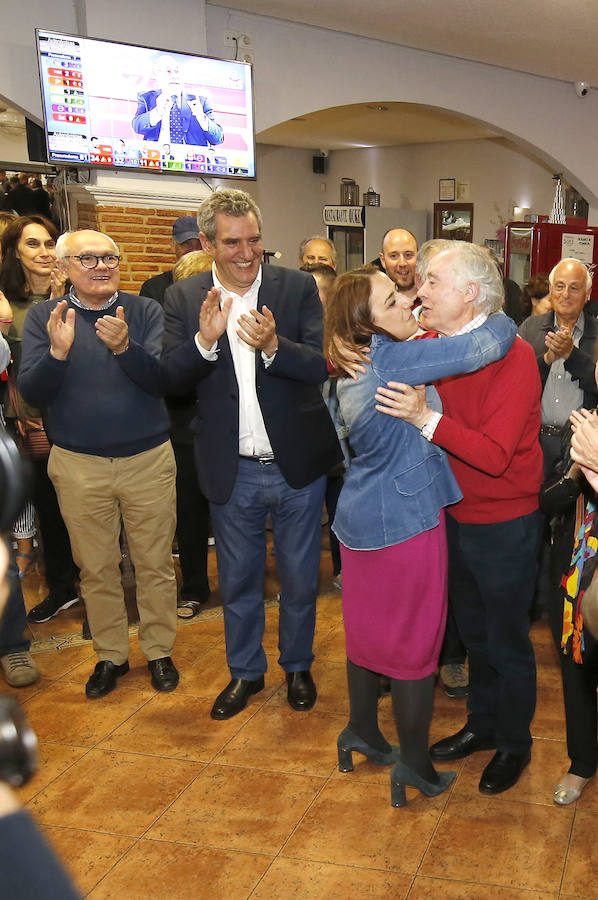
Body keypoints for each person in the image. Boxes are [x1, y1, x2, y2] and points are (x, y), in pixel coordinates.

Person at [326, 265, 516, 806]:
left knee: (365, 637)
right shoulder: (391, 357)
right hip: (405, 523)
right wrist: (491, 306)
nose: (409, 303)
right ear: (367, 327)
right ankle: (413, 763)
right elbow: (487, 345)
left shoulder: (351, 363)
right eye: (392, 302)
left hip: (359, 518)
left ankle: (361, 731)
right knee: (414, 647)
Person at [162, 189, 342, 720]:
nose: (246, 253)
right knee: (238, 581)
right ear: (207, 243)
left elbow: (320, 364)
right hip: (231, 469)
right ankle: (245, 673)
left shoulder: (296, 288)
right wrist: (204, 341)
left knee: (300, 576)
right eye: (233, 242)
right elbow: (172, 379)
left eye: (255, 241)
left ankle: (298, 667)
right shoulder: (184, 298)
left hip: (296, 468)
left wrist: (274, 347)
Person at [375, 240, 543, 795]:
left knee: (507, 640)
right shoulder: (433, 346)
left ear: (470, 294)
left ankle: (515, 743)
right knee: (472, 634)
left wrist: (425, 418)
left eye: (432, 282)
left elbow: (494, 456)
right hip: (452, 513)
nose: (418, 290)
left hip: (504, 521)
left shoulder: (514, 355)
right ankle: (483, 724)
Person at [18, 229, 179, 699]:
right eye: (87, 259)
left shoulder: (145, 310)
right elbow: (31, 394)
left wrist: (126, 348)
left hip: (147, 459)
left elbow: (163, 381)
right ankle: (111, 655)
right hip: (78, 464)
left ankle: (158, 651)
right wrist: (57, 354)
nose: (101, 266)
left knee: (154, 564)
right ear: (63, 267)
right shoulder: (44, 318)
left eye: (109, 257)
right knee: (96, 567)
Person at [0, 216, 79, 625]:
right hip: (29, 422)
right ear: (15, 252)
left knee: (83, 509)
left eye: (50, 243)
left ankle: (94, 587)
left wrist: (62, 300)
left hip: (76, 416)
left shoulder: (74, 294)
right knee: (50, 508)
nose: (45, 252)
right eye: (33, 245)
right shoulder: (5, 304)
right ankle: (62, 588)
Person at [540, 406, 598, 805]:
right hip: (576, 576)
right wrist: (580, 468)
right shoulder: (581, 424)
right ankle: (582, 762)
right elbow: (547, 502)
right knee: (576, 669)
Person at [519, 258, 598, 476]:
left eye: (574, 288)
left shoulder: (597, 333)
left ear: (588, 294)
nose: (565, 294)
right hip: (534, 441)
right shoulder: (530, 329)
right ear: (551, 290)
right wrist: (547, 359)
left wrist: (571, 356)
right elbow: (516, 383)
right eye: (560, 286)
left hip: (582, 445)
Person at [132, 54, 224, 146]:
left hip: (191, 158)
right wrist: (157, 112)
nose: (174, 76)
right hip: (157, 156)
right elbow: (137, 126)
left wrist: (202, 119)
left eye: (177, 71)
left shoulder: (200, 101)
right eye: (168, 71)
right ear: (157, 74)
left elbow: (218, 139)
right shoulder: (146, 97)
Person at [139, 215, 203, 304]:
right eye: (185, 244)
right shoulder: (153, 288)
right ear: (173, 246)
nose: (193, 250)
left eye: (199, 244)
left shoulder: (215, 285)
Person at [379, 229, 418, 307]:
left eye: (408, 255)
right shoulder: (374, 305)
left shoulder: (434, 301)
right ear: (383, 260)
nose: (402, 263)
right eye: (394, 256)